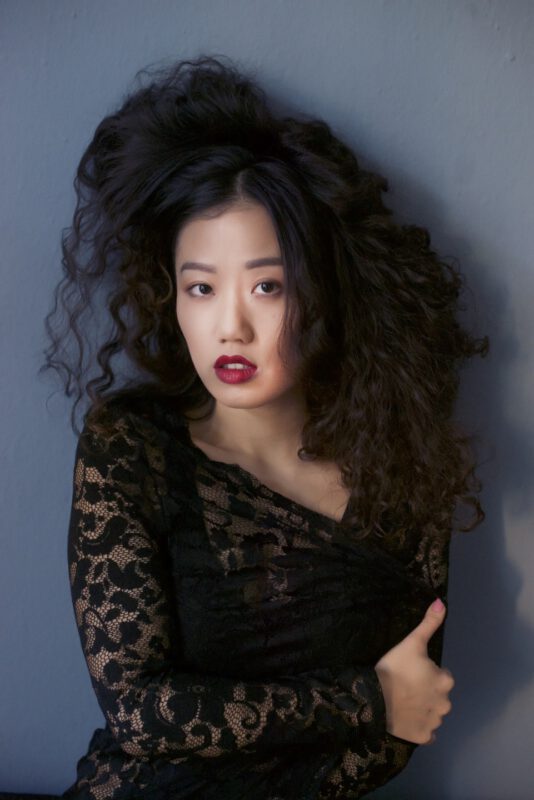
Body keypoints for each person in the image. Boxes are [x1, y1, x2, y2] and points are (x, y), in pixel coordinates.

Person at [38, 54, 488, 799]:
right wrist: (364, 698)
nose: (231, 326)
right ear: (170, 297)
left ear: (321, 293)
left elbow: (408, 719)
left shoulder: (402, 468)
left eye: (268, 286)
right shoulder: (132, 447)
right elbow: (139, 711)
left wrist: (384, 708)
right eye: (201, 288)